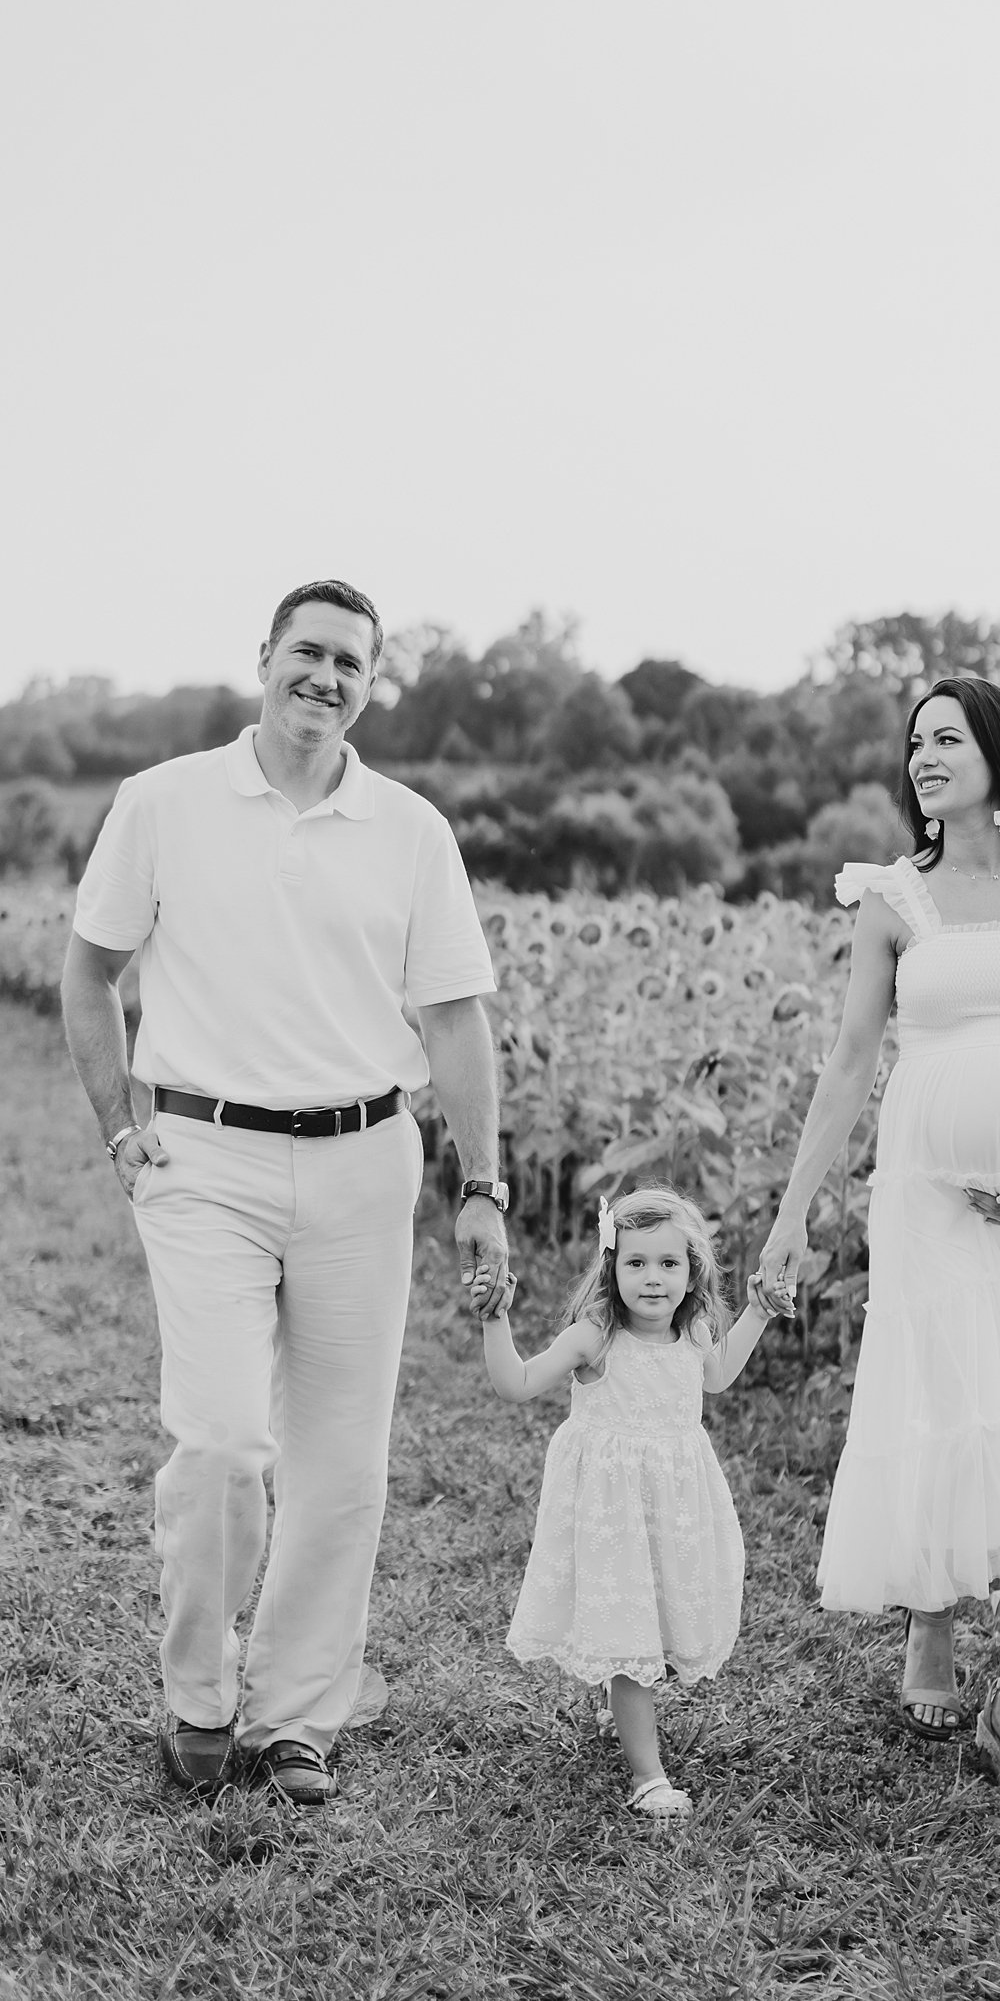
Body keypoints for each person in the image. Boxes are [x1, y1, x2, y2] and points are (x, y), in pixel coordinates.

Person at [61, 578, 511, 1807]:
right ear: (264, 657)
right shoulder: (164, 803)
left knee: (341, 1463)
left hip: (368, 1161)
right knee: (218, 1442)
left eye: (350, 664)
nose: (325, 677)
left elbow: (457, 1020)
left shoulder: (412, 829)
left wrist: (485, 1185)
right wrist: (119, 1131)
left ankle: (297, 1717)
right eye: (307, 652)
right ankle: (200, 1698)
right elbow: (88, 971)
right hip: (205, 1160)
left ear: (371, 686)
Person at [757, 675, 1000, 1795]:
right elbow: (848, 1067)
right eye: (916, 741)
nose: (926, 755)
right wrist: (790, 1216)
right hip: (930, 1200)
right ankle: (931, 1620)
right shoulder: (892, 898)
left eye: (949, 736)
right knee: (950, 1403)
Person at [473, 1186, 788, 1819]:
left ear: (692, 1270)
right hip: (613, 1514)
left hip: (673, 1508)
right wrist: (494, 1319)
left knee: (661, 1620)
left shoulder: (693, 1333)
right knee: (632, 1635)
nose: (652, 1278)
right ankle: (648, 1775)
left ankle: (622, 1712)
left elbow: (719, 1374)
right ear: (611, 1267)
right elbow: (515, 1384)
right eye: (635, 1262)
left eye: (668, 1264)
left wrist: (758, 1310)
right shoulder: (595, 1339)